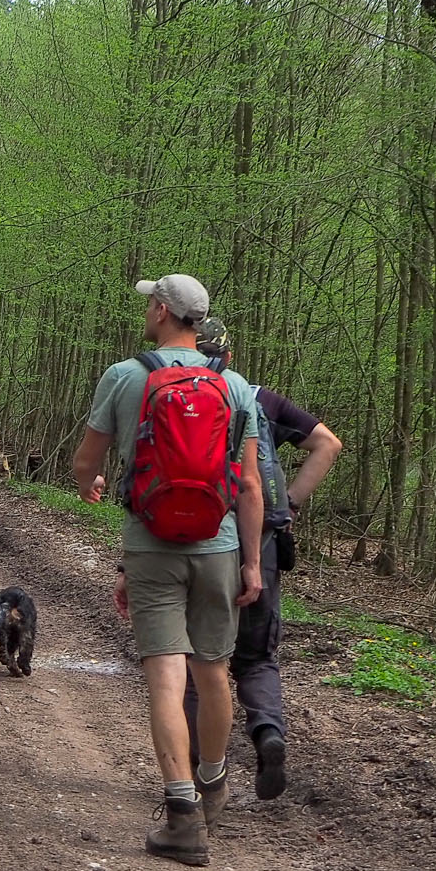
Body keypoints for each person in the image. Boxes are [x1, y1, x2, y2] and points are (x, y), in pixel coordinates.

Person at [72, 274, 263, 866]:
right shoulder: (234, 386)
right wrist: (252, 563)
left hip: (151, 547)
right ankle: (212, 785)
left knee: (165, 678)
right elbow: (251, 483)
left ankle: (181, 815)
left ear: (160, 311)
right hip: (219, 544)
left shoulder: (125, 377)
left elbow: (87, 462)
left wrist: (92, 486)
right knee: (214, 673)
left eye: (149, 304)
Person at [183, 318, 342, 802]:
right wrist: (289, 505)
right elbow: (327, 444)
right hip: (264, 544)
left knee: (200, 658)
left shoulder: (177, 395)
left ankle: (196, 773)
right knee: (256, 656)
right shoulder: (261, 400)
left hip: (201, 539)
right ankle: (268, 732)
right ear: (229, 356)